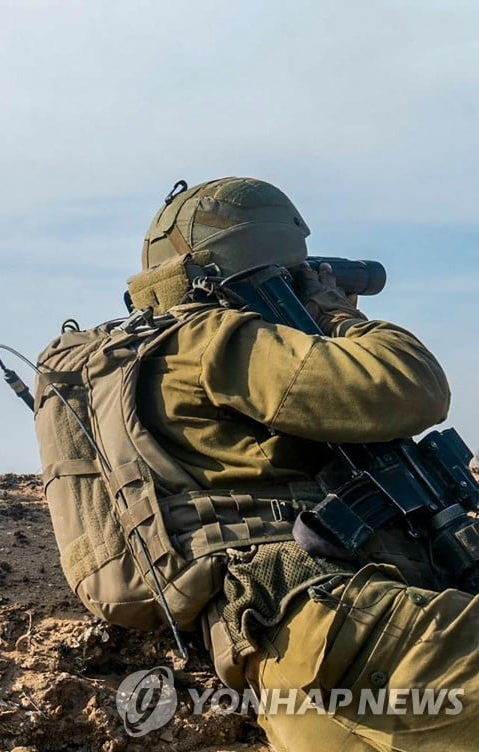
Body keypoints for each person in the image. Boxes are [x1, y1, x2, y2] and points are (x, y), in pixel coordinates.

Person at [34, 177, 477, 750]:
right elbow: (406, 384)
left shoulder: (142, 364)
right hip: (361, 631)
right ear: (269, 267)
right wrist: (339, 316)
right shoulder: (210, 339)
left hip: (297, 677)